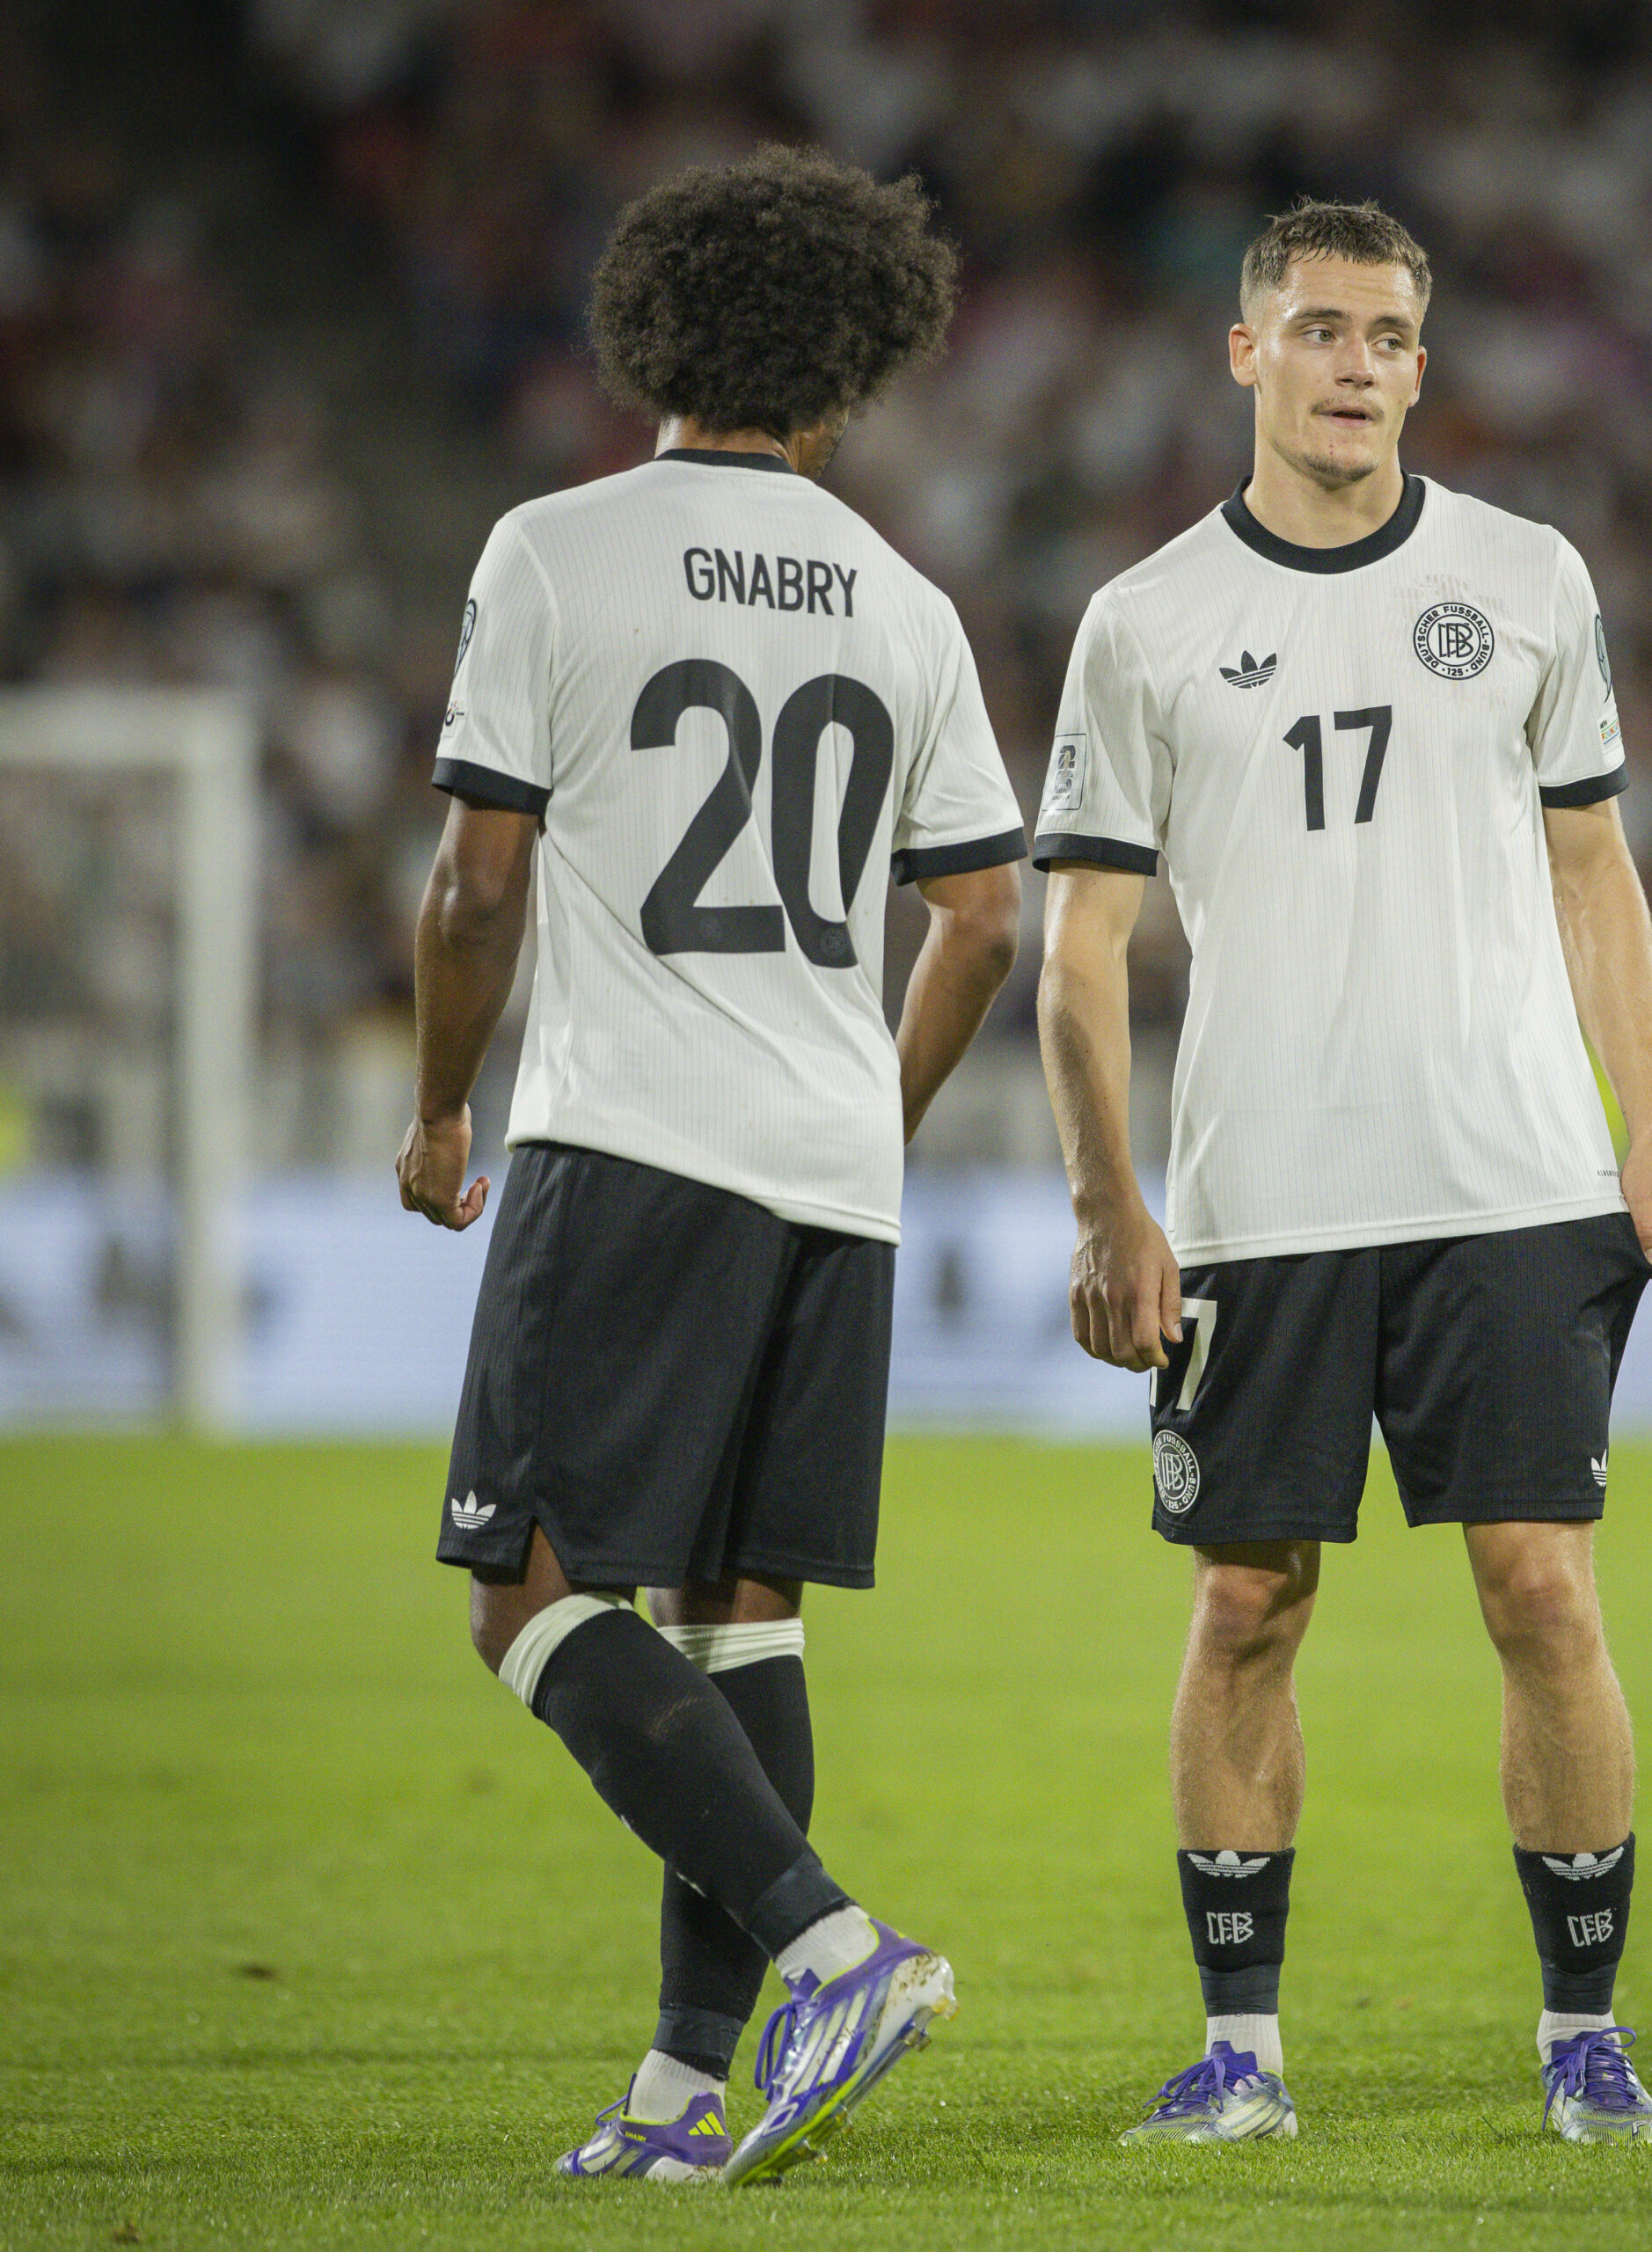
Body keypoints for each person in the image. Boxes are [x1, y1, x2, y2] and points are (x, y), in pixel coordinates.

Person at [1034, 197, 1652, 2148]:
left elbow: (1593, 870)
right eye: (1317, 328)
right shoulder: (1144, 619)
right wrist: (1107, 1201)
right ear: (1243, 354)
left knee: (1543, 1592)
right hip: (1261, 1198)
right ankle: (1240, 2056)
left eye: (1388, 334)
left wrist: (1644, 1123)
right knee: (1247, 1600)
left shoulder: (1522, 578)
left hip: (1509, 1173)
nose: (1355, 363)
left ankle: (1582, 2033)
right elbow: (1079, 942)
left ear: (1423, 363)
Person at [396, 149, 1026, 2187]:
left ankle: (835, 1948)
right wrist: (866, 1103)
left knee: (525, 1592)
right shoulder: (907, 599)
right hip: (829, 1168)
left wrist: (436, 1103)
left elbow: (479, 881)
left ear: (649, 334)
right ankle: (683, 2093)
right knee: (737, 1614)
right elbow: (985, 920)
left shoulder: (557, 548)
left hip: (633, 1135)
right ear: (844, 373)